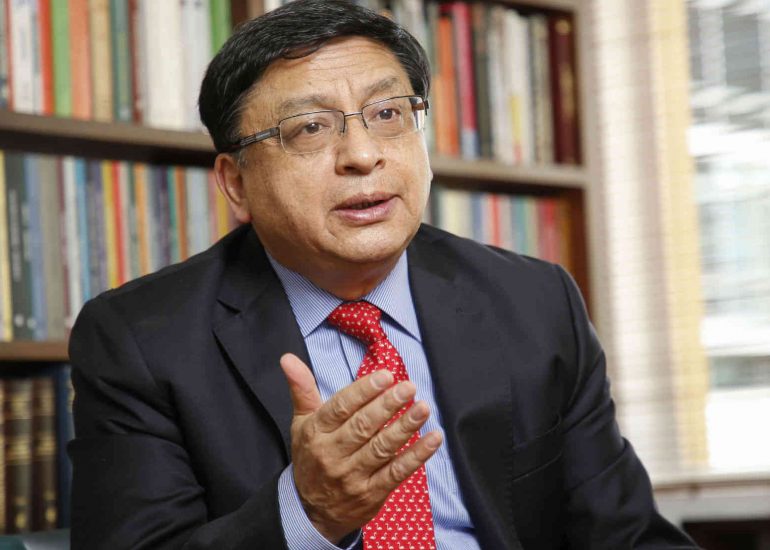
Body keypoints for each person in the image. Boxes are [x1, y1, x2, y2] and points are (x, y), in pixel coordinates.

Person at [68, 1, 698, 548]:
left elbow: (627, 535)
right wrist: (309, 512)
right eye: (310, 128)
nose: (363, 155)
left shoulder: (533, 300)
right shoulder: (140, 339)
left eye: (389, 114)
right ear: (236, 184)